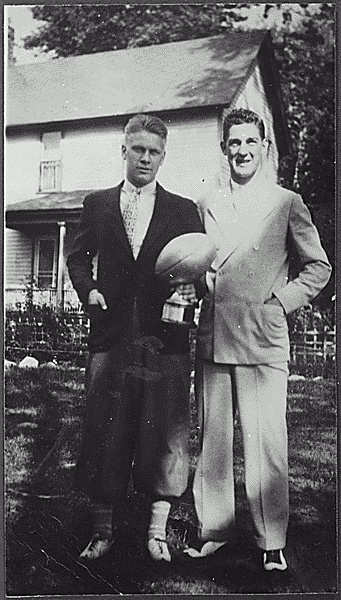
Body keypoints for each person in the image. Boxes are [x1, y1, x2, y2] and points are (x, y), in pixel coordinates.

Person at [184, 108, 332, 570]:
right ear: (224, 149)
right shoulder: (207, 201)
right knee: (213, 441)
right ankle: (215, 530)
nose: (242, 151)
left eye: (251, 142)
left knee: (266, 442)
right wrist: (196, 285)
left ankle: (272, 540)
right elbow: (198, 260)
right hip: (215, 334)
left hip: (263, 337)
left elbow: (318, 267)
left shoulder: (286, 201)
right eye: (234, 143)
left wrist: (280, 302)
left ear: (263, 148)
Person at [67, 113, 205, 562]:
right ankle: (102, 531)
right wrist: (89, 291)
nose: (145, 158)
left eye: (154, 152)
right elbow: (77, 258)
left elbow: (199, 272)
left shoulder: (183, 210)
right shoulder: (98, 203)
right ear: (123, 150)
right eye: (138, 149)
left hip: (164, 337)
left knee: (164, 431)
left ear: (164, 157)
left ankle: (157, 532)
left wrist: (193, 287)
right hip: (112, 334)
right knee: (105, 426)